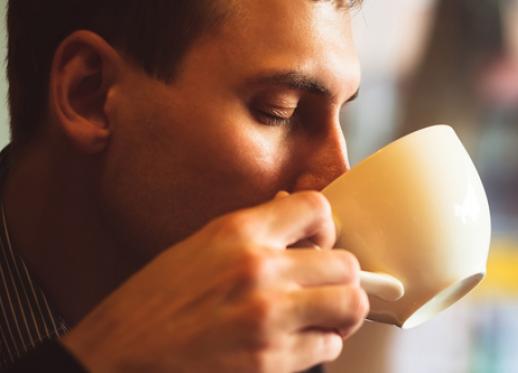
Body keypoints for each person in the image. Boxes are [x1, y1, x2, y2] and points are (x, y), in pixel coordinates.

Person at [0, 0, 368, 372]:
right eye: (279, 111)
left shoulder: (270, 345)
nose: (335, 178)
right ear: (89, 94)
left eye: (342, 119)